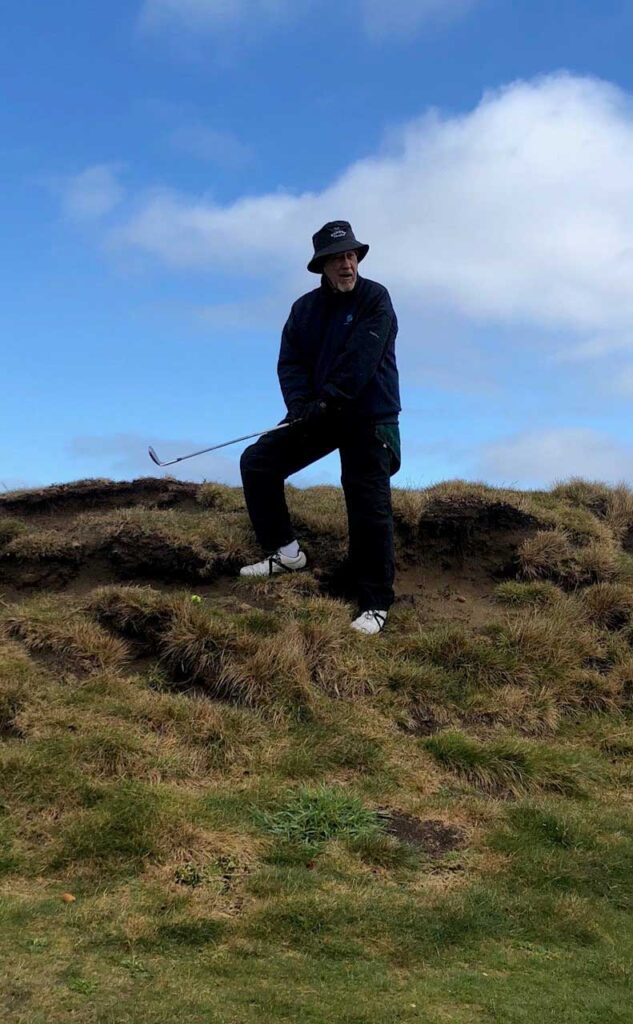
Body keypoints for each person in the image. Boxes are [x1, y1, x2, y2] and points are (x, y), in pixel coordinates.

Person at [239, 220, 401, 635]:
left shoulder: (375, 298)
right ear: (322, 266)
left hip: (369, 416)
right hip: (317, 413)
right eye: (337, 258)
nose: (347, 264)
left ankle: (375, 602)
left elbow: (361, 361)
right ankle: (287, 552)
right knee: (258, 461)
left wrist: (326, 400)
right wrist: (300, 406)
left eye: (351, 255)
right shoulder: (305, 310)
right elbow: (290, 362)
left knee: (367, 502)